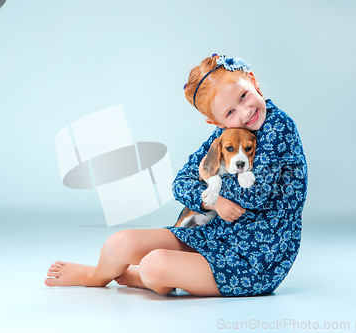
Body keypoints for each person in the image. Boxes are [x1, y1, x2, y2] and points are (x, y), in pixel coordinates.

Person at [45, 54, 308, 297]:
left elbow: (255, 193)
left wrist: (209, 176)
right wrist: (212, 201)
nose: (245, 112)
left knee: (153, 265)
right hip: (211, 234)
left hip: (254, 259)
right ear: (216, 122)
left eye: (243, 96)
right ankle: (95, 275)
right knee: (120, 244)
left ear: (252, 81)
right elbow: (180, 183)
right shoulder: (223, 134)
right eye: (229, 112)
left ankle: (152, 277)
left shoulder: (279, 128)